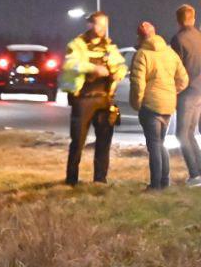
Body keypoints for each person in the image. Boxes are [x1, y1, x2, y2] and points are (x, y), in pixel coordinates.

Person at [61, 11, 127, 186]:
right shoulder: (77, 44)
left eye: (105, 25)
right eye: (99, 24)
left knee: (104, 140)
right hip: (83, 99)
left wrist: (118, 73)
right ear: (90, 25)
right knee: (78, 140)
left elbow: (120, 65)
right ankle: (72, 179)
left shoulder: (109, 46)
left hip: (105, 99)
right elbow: (69, 64)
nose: (102, 29)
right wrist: (93, 69)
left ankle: (100, 179)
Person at [130, 21, 190, 190]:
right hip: (168, 105)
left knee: (154, 144)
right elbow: (184, 80)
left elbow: (137, 84)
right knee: (160, 142)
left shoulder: (142, 54)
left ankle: (155, 185)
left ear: (140, 36)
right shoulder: (170, 53)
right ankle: (164, 181)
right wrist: (171, 91)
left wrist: (137, 103)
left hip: (151, 106)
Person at [170, 4, 201, 186]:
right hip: (200, 92)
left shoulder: (178, 40)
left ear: (178, 20)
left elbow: (176, 68)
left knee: (182, 134)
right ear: (193, 18)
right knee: (190, 133)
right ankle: (199, 171)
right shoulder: (200, 37)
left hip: (187, 92)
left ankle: (195, 174)